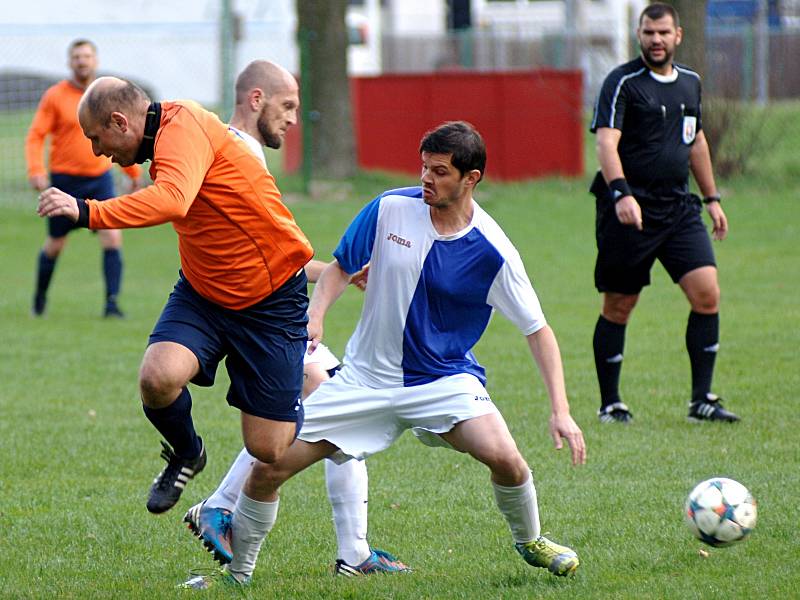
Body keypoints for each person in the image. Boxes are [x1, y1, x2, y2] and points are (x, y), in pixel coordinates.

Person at [184, 121, 587, 589]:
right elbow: (339, 268)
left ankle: (531, 540)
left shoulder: (494, 250)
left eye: (440, 171)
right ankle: (239, 575)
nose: (427, 179)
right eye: (424, 167)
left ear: (471, 178)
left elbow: (538, 331)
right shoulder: (390, 207)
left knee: (508, 461)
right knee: (267, 469)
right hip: (363, 381)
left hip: (444, 382)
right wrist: (316, 315)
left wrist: (561, 411)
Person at [36, 71, 315, 516]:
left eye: (96, 138)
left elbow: (172, 200)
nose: (97, 152)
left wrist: (86, 210)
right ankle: (188, 452)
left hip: (271, 299)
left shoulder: (182, 123)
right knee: (157, 377)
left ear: (120, 121)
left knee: (269, 448)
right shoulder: (163, 141)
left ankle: (324, 390)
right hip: (203, 292)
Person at [181, 60, 407, 578]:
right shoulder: (235, 152)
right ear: (256, 99)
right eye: (287, 107)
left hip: (258, 310)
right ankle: (222, 509)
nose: (293, 120)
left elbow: (268, 250)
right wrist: (332, 276)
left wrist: (335, 273)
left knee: (338, 412)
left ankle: (352, 552)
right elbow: (253, 254)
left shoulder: (243, 151)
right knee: (335, 406)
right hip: (257, 317)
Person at [589, 2, 740, 424]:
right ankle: (611, 404)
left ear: (678, 36)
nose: (655, 40)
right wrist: (621, 194)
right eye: (648, 32)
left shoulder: (690, 83)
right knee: (619, 304)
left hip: (678, 207)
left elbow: (696, 142)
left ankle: (701, 401)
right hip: (629, 210)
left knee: (707, 293)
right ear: (639, 34)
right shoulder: (622, 82)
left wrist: (712, 199)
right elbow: (605, 142)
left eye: (663, 33)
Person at [25, 39, 142, 317]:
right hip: (65, 181)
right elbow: (36, 136)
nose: (82, 61)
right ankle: (39, 300)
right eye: (77, 57)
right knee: (55, 245)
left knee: (112, 237)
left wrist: (133, 173)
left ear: (95, 61)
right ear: (70, 62)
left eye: (87, 56)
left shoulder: (105, 96)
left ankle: (111, 304)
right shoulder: (55, 96)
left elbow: (120, 136)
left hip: (100, 179)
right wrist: (36, 170)